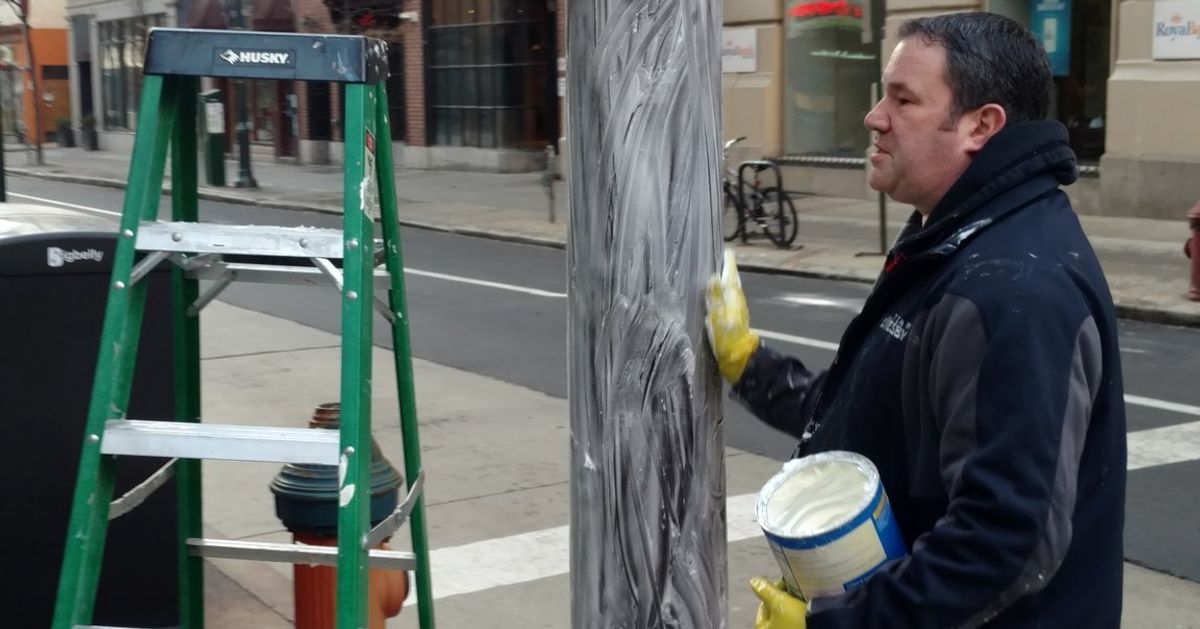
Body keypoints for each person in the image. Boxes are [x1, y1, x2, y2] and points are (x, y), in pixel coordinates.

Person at [706, 12, 1126, 628]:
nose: (874, 116)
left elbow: (1005, 541)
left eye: (903, 99)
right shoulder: (954, 238)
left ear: (981, 126)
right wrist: (749, 363)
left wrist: (837, 624)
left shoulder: (1012, 286)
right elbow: (877, 416)